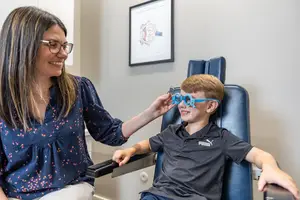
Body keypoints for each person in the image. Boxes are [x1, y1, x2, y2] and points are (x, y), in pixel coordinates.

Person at [0, 6, 174, 200]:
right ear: (23, 46)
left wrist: (151, 113)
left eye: (65, 45)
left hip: (72, 190)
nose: (64, 54)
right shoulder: (3, 99)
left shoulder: (78, 88)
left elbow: (110, 132)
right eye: (53, 44)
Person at [113, 74, 300, 200]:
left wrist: (271, 168)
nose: (181, 106)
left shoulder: (222, 138)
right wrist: (131, 149)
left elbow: (260, 156)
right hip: (156, 196)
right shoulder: (171, 132)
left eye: (189, 100)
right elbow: (146, 145)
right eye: (180, 99)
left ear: (210, 106)